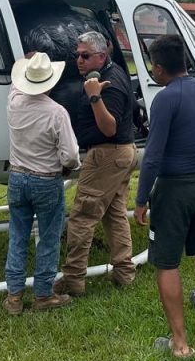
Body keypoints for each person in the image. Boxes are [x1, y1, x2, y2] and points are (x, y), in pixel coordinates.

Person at [134, 35, 195, 359]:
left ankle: (180, 342)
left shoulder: (165, 99)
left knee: (166, 260)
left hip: (175, 186)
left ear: (159, 69)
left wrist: (142, 198)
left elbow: (153, 155)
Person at [54, 31, 138, 297]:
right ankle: (125, 273)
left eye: (85, 56)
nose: (79, 60)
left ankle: (73, 280)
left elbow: (109, 127)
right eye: (77, 55)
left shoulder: (107, 84)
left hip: (107, 153)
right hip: (121, 153)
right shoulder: (111, 74)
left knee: (83, 216)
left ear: (102, 56)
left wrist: (94, 96)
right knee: (114, 215)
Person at [3, 52, 81, 315]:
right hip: (46, 181)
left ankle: (14, 297)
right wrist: (69, 167)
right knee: (48, 238)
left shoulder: (13, 103)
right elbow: (70, 155)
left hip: (16, 177)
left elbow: (15, 87)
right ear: (51, 82)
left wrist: (27, 59)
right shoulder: (57, 113)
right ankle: (43, 295)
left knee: (17, 236)